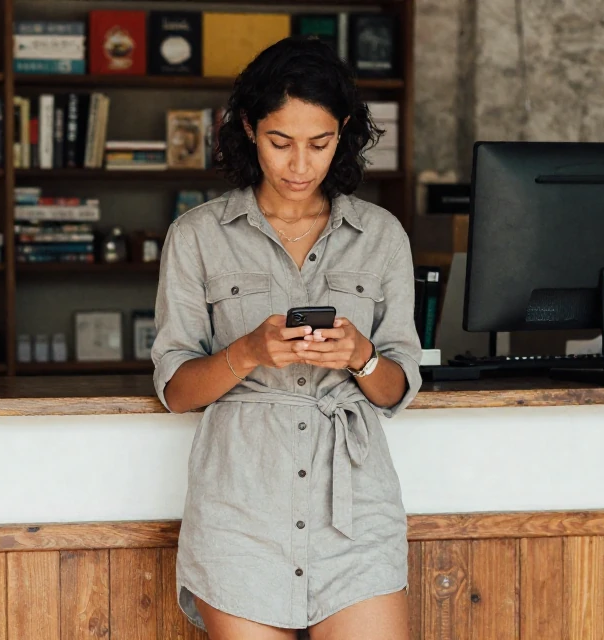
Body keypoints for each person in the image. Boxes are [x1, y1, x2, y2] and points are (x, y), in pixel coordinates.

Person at [150, 35, 422, 640]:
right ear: (248, 129)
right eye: (281, 142)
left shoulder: (381, 235)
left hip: (355, 514)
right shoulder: (197, 236)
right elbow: (176, 389)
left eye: (319, 143)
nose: (300, 165)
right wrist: (247, 352)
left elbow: (397, 383)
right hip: (239, 509)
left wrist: (362, 356)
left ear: (343, 132)